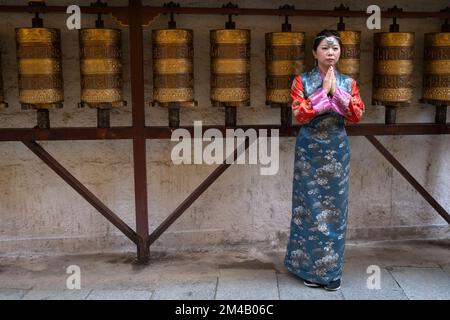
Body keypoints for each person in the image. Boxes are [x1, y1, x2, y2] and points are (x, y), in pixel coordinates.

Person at [284, 29, 365, 291]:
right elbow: (300, 114)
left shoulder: (348, 83)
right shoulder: (301, 81)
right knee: (308, 209)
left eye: (335, 49)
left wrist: (336, 93)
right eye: (325, 49)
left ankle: (331, 271)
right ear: (314, 53)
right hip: (309, 150)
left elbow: (356, 115)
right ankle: (307, 267)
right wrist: (322, 94)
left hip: (337, 149)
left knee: (335, 211)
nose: (330, 53)